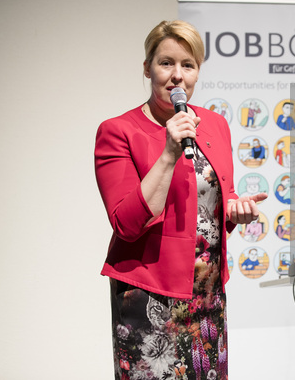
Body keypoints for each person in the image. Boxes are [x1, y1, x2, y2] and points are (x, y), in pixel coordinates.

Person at [94, 20, 267, 380]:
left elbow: (217, 199)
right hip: (149, 296)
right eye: (166, 63)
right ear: (147, 68)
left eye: (187, 65)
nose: (177, 76)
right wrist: (169, 152)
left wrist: (236, 210)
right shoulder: (118, 131)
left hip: (208, 294)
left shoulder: (215, 124)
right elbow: (126, 224)